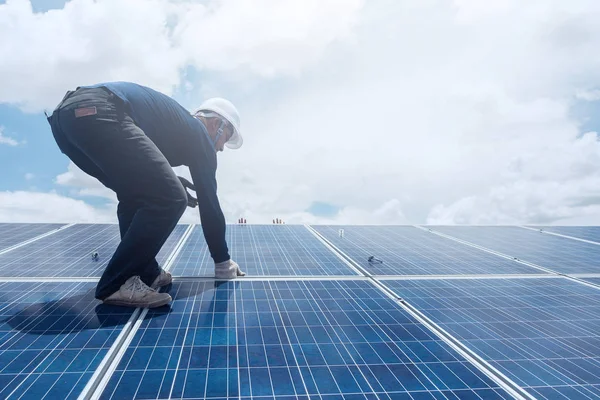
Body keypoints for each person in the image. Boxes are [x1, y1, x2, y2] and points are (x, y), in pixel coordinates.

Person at [46, 81, 245, 308]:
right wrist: (222, 261)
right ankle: (117, 282)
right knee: (172, 198)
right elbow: (210, 202)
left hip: (65, 122)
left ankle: (144, 272)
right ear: (216, 124)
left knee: (134, 193)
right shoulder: (199, 133)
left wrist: (170, 182)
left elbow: (142, 171)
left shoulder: (177, 127)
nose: (220, 148)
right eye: (225, 139)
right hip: (102, 110)